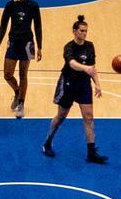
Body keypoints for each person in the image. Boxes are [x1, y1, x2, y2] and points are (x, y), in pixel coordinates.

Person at [40, 16, 107, 163]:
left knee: (88, 117)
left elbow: (92, 68)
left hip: (84, 84)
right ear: (74, 31)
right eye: (82, 31)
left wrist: (97, 84)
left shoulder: (90, 46)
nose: (84, 33)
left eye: (86, 31)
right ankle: (47, 142)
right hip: (68, 84)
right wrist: (86, 68)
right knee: (61, 116)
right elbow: (72, 64)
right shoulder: (69, 47)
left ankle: (91, 152)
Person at [0, 0, 43, 117]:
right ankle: (17, 92)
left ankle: (22, 103)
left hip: (27, 43)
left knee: (23, 74)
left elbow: (38, 27)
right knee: (7, 74)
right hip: (13, 42)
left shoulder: (33, 5)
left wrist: (40, 47)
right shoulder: (10, 4)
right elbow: (3, 25)